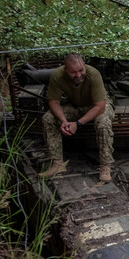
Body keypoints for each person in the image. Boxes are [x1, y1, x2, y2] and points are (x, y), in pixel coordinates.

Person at [39, 53, 115, 182]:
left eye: (81, 70)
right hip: (76, 105)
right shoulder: (57, 76)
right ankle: (57, 164)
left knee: (103, 122)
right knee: (48, 118)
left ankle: (105, 165)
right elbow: (53, 102)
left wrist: (77, 124)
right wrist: (63, 121)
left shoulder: (94, 74)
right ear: (65, 70)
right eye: (73, 72)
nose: (78, 75)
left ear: (85, 66)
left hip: (98, 104)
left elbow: (100, 106)